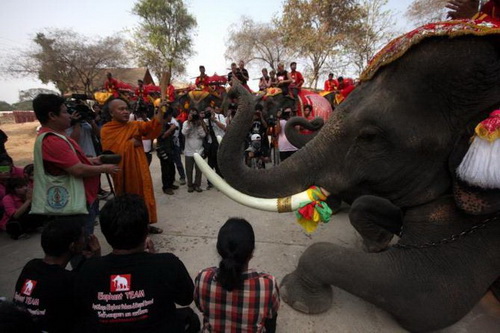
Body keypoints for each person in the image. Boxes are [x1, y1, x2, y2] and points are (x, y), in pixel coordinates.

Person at [74, 194, 199, 333]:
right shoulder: (167, 264)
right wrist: (155, 261)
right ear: (146, 230)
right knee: (190, 317)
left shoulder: (88, 269)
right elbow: (186, 298)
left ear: (104, 232)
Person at [31, 94, 118, 236]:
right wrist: (105, 168)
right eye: (65, 112)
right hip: (75, 202)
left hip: (83, 199)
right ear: (52, 115)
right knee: (81, 243)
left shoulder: (58, 136)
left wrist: (94, 160)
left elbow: (68, 163)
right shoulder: (53, 141)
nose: (70, 116)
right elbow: (77, 169)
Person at [12, 219, 100, 333]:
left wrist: (86, 261)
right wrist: (96, 261)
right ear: (72, 246)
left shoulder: (31, 266)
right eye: (83, 237)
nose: (86, 240)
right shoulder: (68, 282)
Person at [194, 218, 280, 333]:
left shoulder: (203, 278)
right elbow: (271, 317)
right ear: (251, 253)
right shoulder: (268, 285)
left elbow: (200, 307)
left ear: (219, 250)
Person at [101, 97, 163, 233]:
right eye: (121, 109)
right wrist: (130, 144)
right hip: (123, 173)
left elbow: (153, 126)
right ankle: (131, 229)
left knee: (144, 196)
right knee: (127, 200)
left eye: (126, 109)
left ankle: (145, 224)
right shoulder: (106, 130)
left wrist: (160, 110)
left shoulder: (134, 125)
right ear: (111, 113)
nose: (125, 112)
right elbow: (111, 154)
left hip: (140, 169)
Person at [182, 108, 207, 193]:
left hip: (199, 150)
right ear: (189, 115)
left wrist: (199, 125)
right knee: (189, 170)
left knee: (198, 170)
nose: (193, 116)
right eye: (191, 114)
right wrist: (189, 123)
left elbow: (203, 135)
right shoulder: (186, 123)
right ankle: (190, 185)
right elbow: (184, 133)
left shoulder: (200, 123)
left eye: (194, 114)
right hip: (188, 151)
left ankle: (197, 185)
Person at [157, 108, 179, 195]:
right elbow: (161, 136)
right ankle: (166, 187)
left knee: (171, 168)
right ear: (168, 116)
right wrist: (170, 129)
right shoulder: (161, 125)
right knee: (165, 169)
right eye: (170, 115)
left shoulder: (168, 124)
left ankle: (170, 183)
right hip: (163, 150)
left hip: (170, 148)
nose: (171, 117)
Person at [204, 106, 226, 189]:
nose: (209, 112)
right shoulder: (205, 120)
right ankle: (210, 182)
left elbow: (224, 128)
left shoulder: (220, 117)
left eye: (210, 111)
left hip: (219, 143)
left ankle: (220, 182)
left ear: (213, 110)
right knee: (210, 164)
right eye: (207, 111)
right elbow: (205, 133)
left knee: (219, 163)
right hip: (211, 144)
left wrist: (215, 121)